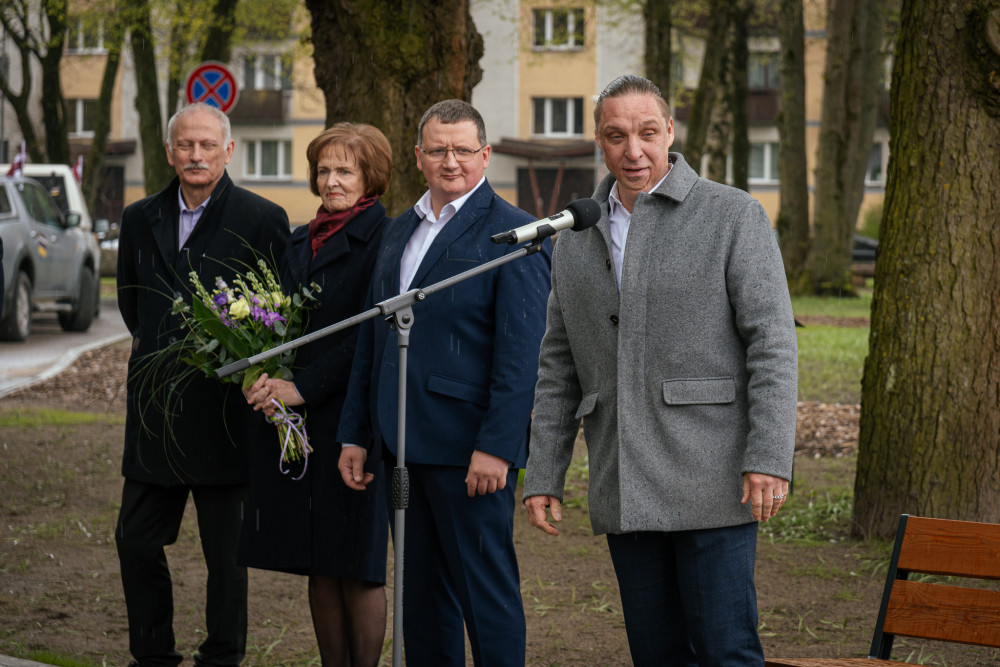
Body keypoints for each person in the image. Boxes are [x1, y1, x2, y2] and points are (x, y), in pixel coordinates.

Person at [522, 75, 798, 667]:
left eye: (647, 133)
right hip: (625, 481)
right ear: (599, 141)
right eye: (616, 136)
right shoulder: (575, 234)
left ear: (670, 132)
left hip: (714, 477)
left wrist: (770, 456)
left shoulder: (732, 215)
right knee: (655, 655)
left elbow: (773, 344)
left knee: (726, 652)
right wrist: (543, 472)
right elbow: (559, 364)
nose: (634, 151)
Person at [336, 99, 551, 667]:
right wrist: (357, 432)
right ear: (418, 156)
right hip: (401, 446)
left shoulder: (516, 234)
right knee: (423, 601)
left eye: (462, 150)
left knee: (486, 596)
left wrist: (498, 447)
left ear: (485, 155)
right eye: (437, 150)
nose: (450, 161)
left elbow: (521, 357)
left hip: (469, 453)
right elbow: (372, 338)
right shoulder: (399, 230)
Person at [115, 102, 290, 667]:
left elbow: (278, 314)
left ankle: (221, 658)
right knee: (135, 539)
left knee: (227, 556)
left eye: (207, 145)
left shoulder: (262, 219)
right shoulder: (138, 217)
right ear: (170, 152)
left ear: (228, 151)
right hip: (156, 414)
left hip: (225, 416)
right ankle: (153, 656)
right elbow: (132, 303)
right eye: (186, 145)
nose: (196, 155)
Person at [240, 123, 393, 667]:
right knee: (320, 561)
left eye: (345, 170)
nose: (332, 181)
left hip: (353, 417)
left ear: (371, 176)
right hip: (297, 420)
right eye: (323, 170)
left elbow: (369, 335)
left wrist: (302, 386)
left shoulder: (388, 238)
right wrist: (262, 372)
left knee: (357, 563)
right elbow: (280, 322)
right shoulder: (301, 237)